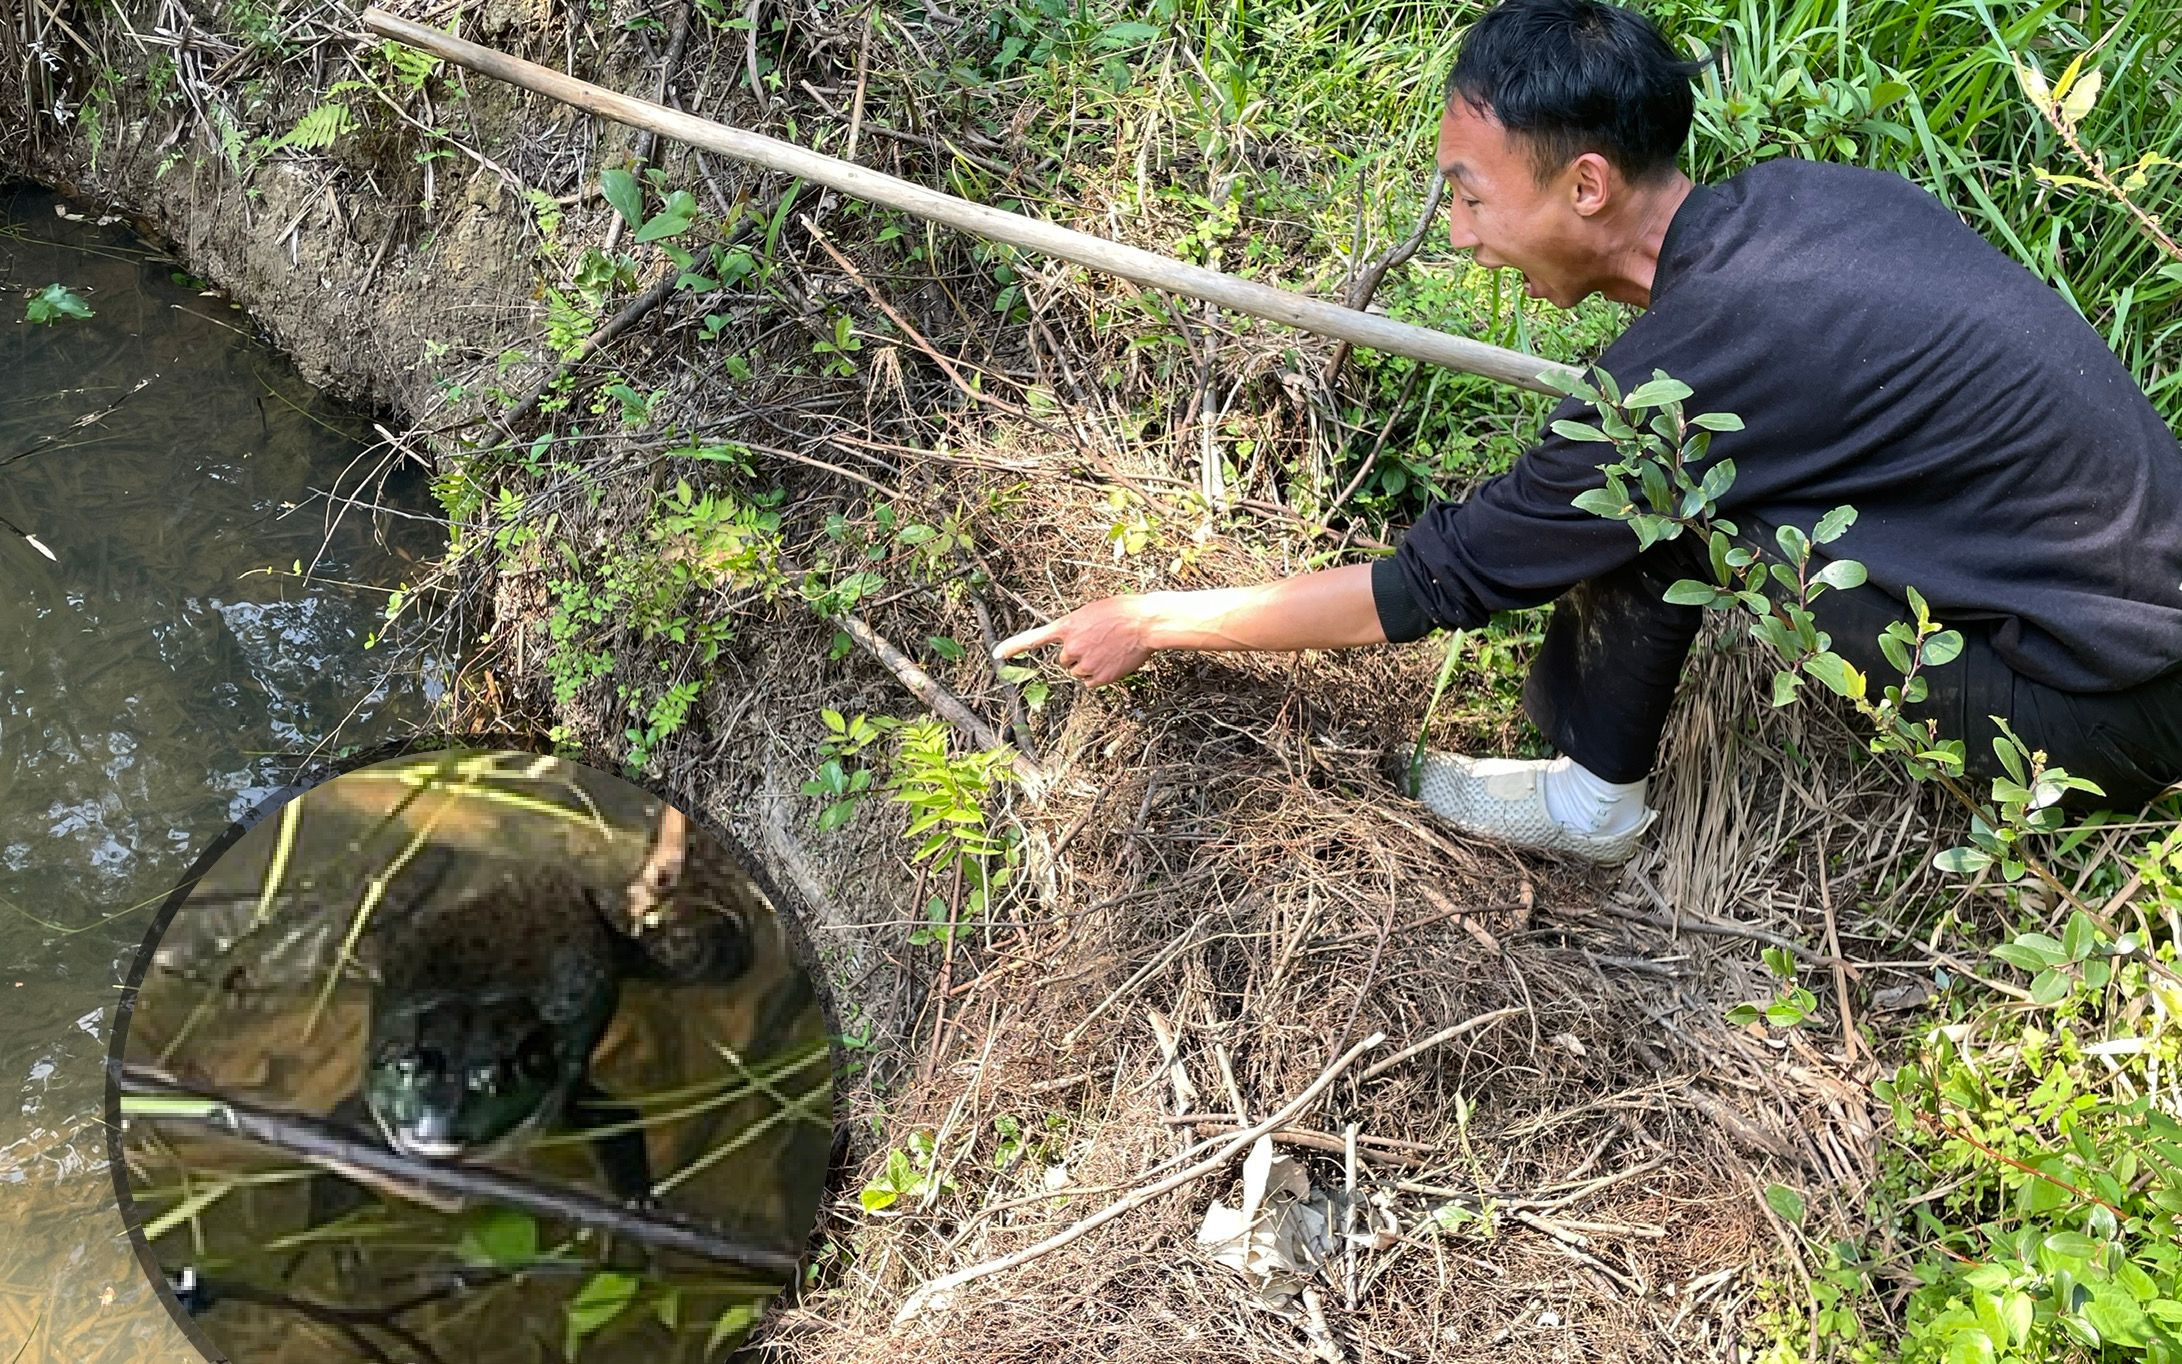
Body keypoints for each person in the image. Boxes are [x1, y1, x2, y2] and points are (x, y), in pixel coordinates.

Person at [996, 0, 2182, 865]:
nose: (1460, 234)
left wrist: (1150, 616)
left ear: (1586, 186)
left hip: (2104, 707)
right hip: (2137, 612)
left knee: (1669, 498)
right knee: (1677, 479)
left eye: (1469, 194)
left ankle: (1588, 806)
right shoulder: (1814, 200)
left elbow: (1424, 584)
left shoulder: (1690, 377)